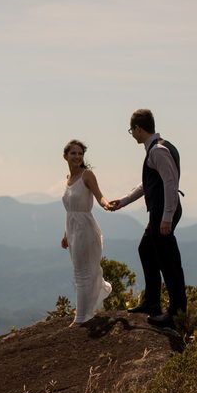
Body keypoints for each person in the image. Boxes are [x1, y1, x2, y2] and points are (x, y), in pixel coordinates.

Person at [108, 109, 187, 327]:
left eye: (131, 130)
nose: (131, 134)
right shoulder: (157, 148)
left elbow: (171, 183)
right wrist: (123, 201)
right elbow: (149, 184)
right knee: (146, 250)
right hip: (161, 210)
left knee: (168, 261)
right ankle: (152, 301)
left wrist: (167, 218)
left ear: (138, 129)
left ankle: (176, 312)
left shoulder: (158, 150)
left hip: (163, 211)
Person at [61, 139, 113, 326]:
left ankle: (81, 318)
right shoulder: (68, 179)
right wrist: (66, 234)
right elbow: (70, 209)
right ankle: (88, 308)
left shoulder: (87, 175)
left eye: (80, 153)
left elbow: (99, 196)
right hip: (73, 230)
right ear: (65, 156)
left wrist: (106, 204)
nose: (77, 156)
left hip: (86, 229)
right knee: (79, 272)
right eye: (73, 153)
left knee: (82, 273)